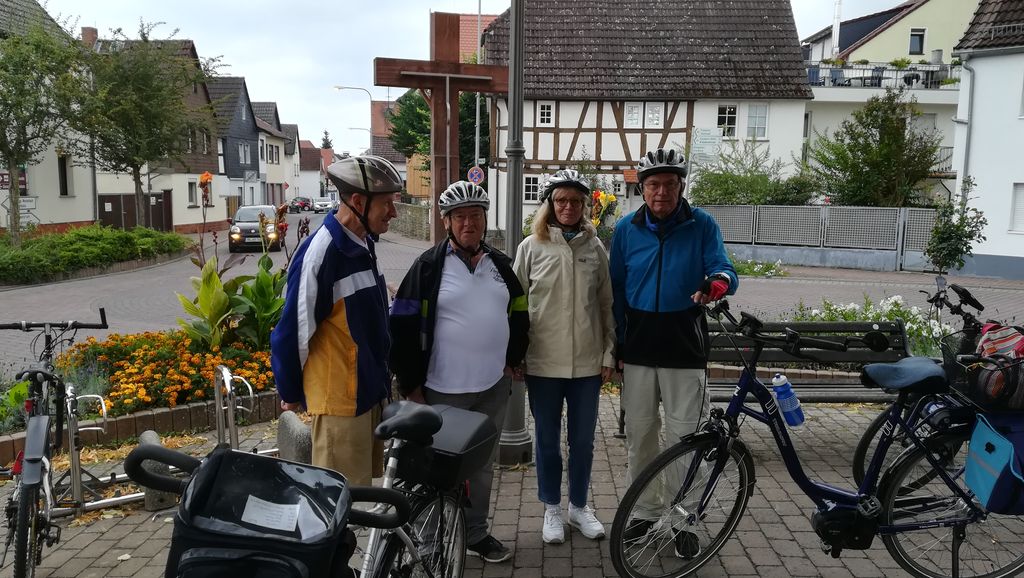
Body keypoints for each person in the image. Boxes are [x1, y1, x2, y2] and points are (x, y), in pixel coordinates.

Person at [389, 181, 529, 564]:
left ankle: (475, 532)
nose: (469, 223)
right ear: (446, 222)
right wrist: (410, 385)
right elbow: (402, 326)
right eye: (460, 216)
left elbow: (519, 311)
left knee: (481, 466)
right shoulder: (428, 267)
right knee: (436, 467)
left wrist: (513, 358)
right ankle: (430, 538)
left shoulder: (500, 265)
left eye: (476, 215)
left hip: (492, 385)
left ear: (485, 219)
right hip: (442, 389)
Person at [609, 148, 738, 554]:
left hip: (684, 344)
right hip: (639, 346)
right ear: (642, 188)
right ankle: (646, 513)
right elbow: (615, 289)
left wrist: (716, 283)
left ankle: (684, 519)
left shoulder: (702, 224)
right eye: (653, 185)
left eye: (669, 184)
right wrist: (618, 344)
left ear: (681, 186)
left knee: (687, 438)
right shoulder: (626, 229)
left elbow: (725, 269)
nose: (661, 192)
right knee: (641, 436)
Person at [270, 155, 402, 486]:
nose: (394, 212)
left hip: (367, 394)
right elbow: (292, 330)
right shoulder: (323, 251)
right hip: (341, 405)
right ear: (357, 201)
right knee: (341, 500)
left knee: (360, 495)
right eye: (386, 203)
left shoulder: (363, 242)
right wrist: (290, 390)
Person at [512, 169, 616, 544]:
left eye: (575, 201)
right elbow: (516, 305)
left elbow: (606, 305)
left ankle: (579, 507)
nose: (568, 207)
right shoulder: (531, 247)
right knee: (547, 440)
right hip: (543, 362)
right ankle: (552, 508)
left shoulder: (595, 247)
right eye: (561, 200)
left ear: (585, 205)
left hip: (587, 363)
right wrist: (516, 353)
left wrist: (608, 353)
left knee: (583, 442)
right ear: (550, 204)